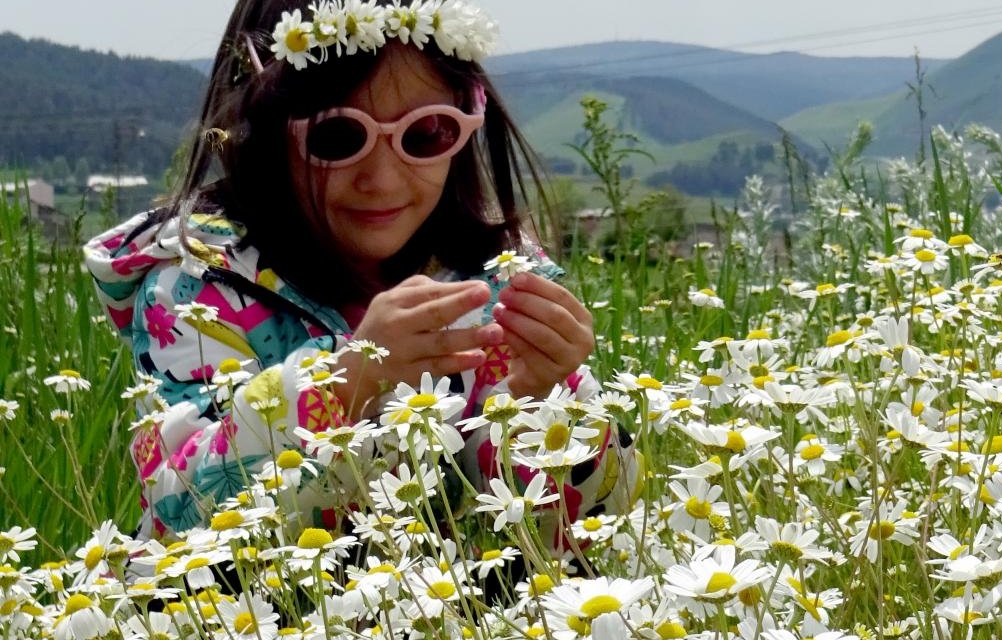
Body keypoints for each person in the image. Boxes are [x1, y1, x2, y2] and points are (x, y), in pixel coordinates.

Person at [83, 0, 638, 545]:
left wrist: (542, 407)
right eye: (337, 137)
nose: (383, 179)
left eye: (427, 133)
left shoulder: (493, 283)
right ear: (262, 132)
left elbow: (576, 536)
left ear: (468, 125)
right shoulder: (197, 289)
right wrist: (345, 382)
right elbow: (178, 509)